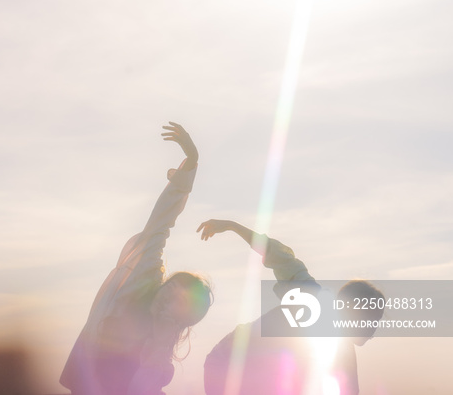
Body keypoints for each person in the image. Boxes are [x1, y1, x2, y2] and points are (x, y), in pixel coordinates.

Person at [60, 122, 212, 395]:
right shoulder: (144, 276)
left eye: (180, 301)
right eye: (173, 286)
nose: (169, 294)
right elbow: (160, 223)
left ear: (183, 319)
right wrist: (190, 164)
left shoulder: (159, 347)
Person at [198, 219, 384, 395]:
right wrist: (232, 226)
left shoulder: (343, 348)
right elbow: (275, 253)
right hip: (225, 362)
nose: (372, 332)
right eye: (371, 321)